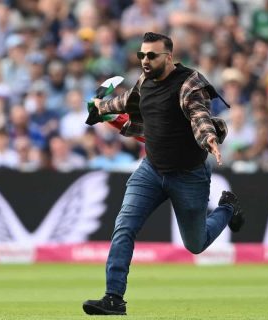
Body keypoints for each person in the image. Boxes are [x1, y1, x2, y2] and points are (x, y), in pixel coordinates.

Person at [82, 32, 245, 316]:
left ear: (168, 57)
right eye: (141, 55)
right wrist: (100, 108)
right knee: (124, 227)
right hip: (151, 170)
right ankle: (114, 298)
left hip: (189, 175)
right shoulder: (145, 81)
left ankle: (228, 208)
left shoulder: (189, 83)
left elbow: (199, 116)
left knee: (195, 244)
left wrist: (210, 140)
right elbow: (127, 102)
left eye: (151, 55)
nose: (145, 60)